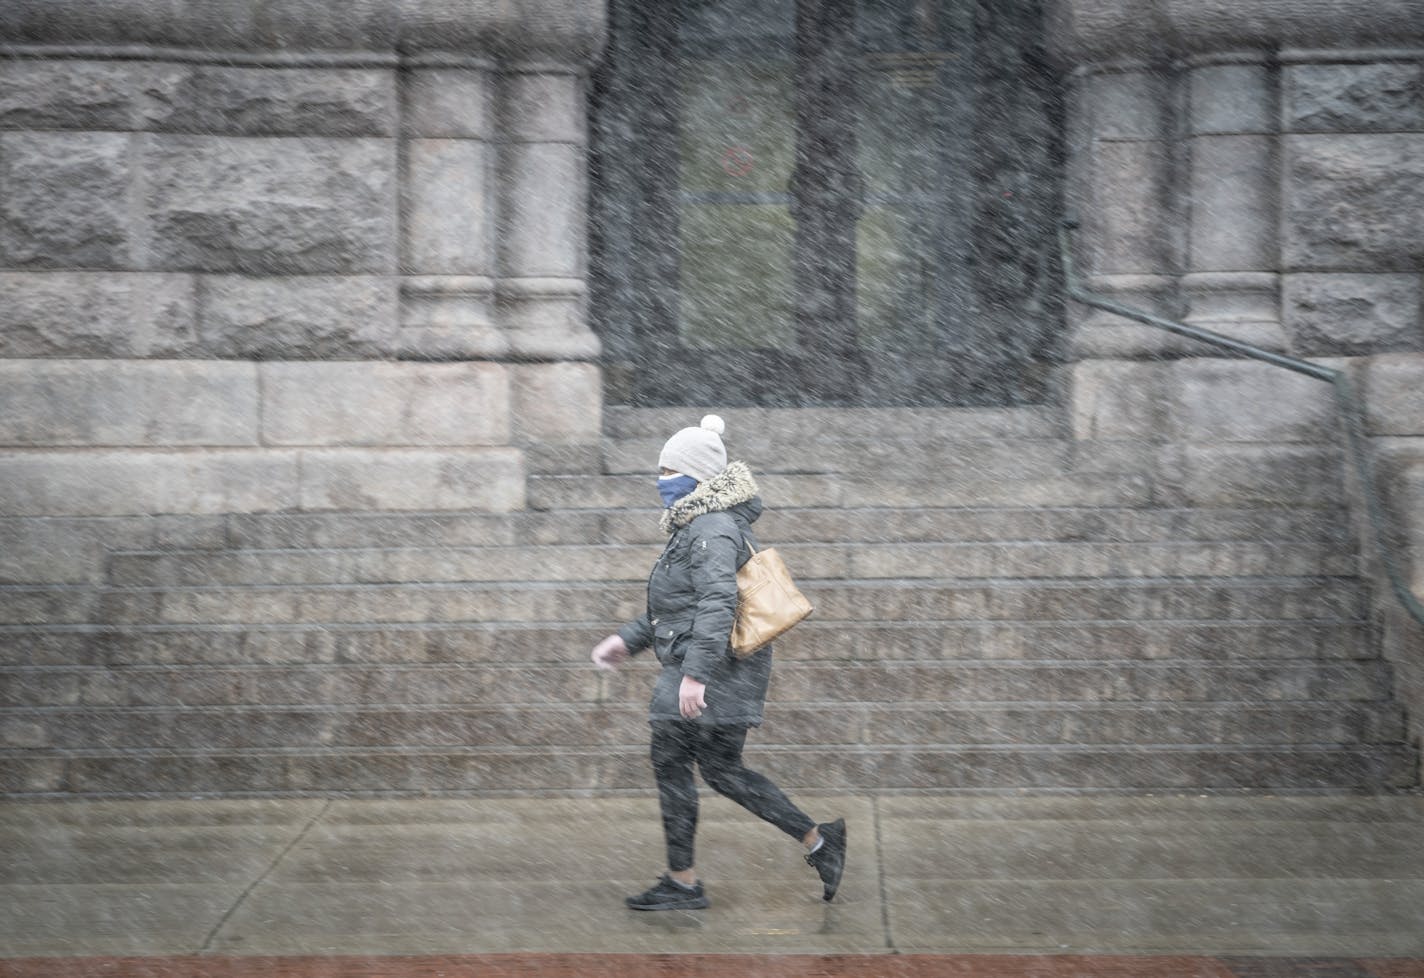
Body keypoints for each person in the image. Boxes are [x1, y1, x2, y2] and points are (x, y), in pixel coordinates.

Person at [590, 414, 846, 911]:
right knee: (723, 770)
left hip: (711, 669)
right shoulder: (702, 525)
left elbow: (717, 602)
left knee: (674, 764)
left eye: (668, 471)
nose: (660, 481)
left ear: (696, 477)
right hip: (717, 666)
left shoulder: (710, 527)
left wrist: (694, 676)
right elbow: (677, 607)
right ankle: (818, 841)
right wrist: (626, 640)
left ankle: (683, 883)